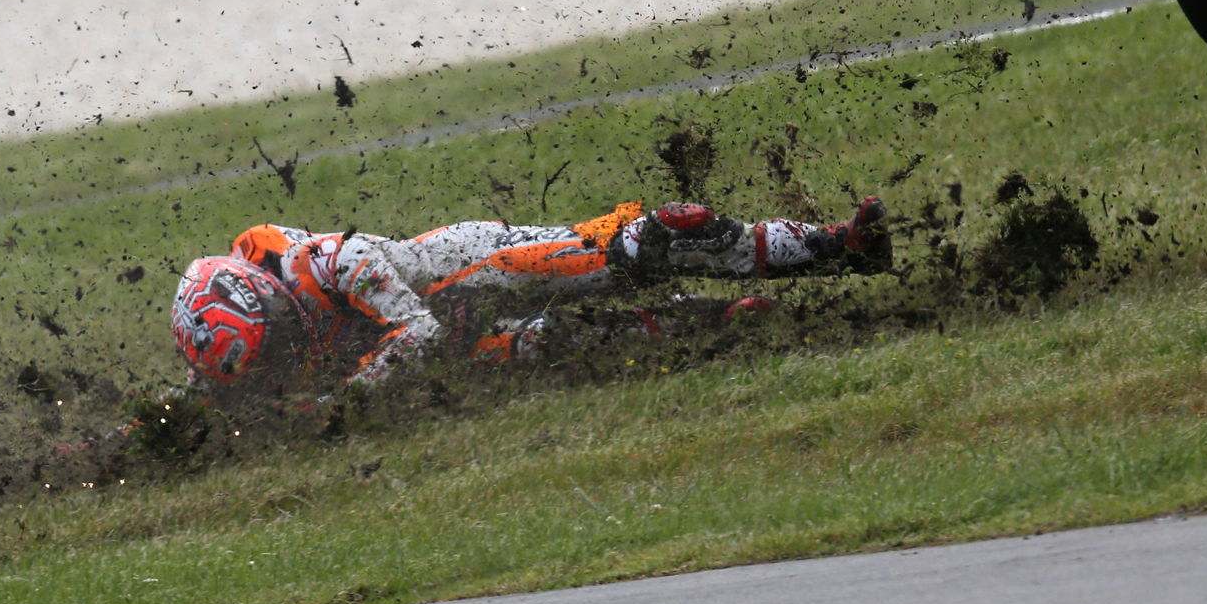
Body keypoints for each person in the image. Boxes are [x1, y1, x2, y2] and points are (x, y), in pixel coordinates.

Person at [170, 195, 891, 397]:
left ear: (267, 297)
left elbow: (417, 334)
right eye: (268, 360)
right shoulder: (248, 363)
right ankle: (712, 324)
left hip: (470, 275)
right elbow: (176, 419)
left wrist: (338, 405)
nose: (284, 357)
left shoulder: (333, 260)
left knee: (635, 249)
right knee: (546, 347)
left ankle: (836, 244)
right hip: (451, 344)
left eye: (280, 340)